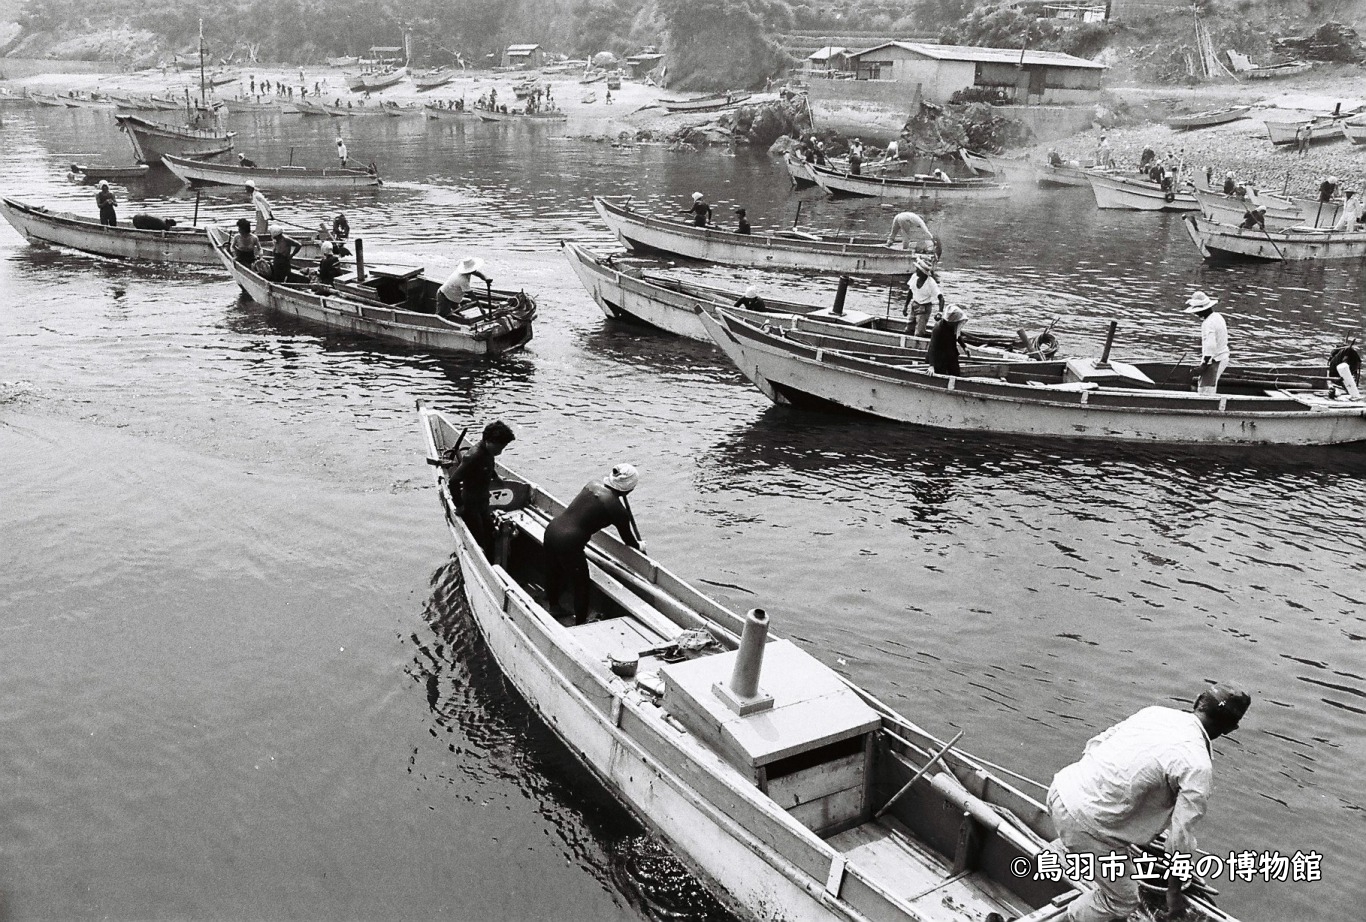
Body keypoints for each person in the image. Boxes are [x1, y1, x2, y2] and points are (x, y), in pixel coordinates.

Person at [1048, 684, 1251, 922]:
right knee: (1123, 901)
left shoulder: (1154, 713)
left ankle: (1064, 847)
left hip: (1061, 789)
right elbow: (1179, 840)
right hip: (1084, 826)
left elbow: (1096, 744)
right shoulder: (1198, 766)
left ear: (1197, 701)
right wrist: (1173, 894)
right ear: (1231, 729)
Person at [543, 464, 643, 624]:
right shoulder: (618, 510)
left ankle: (554, 606)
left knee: (553, 571)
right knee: (581, 584)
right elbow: (629, 541)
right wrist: (640, 546)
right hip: (569, 542)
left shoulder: (592, 484)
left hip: (552, 530)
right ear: (629, 489)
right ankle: (581, 623)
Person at [444, 420, 515, 553]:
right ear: (488, 441)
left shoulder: (489, 452)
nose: (500, 452)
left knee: (491, 533)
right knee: (479, 539)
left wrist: (495, 476)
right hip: (471, 505)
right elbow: (453, 481)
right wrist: (459, 506)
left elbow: (489, 465)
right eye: (499, 448)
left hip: (483, 501)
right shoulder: (474, 456)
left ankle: (492, 555)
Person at [1184, 291, 1228, 394]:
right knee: (1205, 386)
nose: (1196, 313)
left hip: (1215, 359)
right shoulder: (1218, 316)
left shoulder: (1208, 323)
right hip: (1221, 356)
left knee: (1205, 390)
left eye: (1197, 311)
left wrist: (1204, 365)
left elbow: (1210, 345)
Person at [903, 255, 945, 337]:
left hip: (924, 308)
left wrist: (940, 312)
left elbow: (941, 298)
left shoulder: (931, 283)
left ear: (923, 272)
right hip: (914, 305)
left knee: (919, 333)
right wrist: (905, 306)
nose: (916, 270)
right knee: (908, 330)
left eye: (918, 269)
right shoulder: (914, 277)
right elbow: (910, 292)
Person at [927, 305, 970, 376]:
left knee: (956, 373)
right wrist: (931, 365)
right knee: (941, 373)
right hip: (939, 356)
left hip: (951, 353)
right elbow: (932, 346)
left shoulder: (954, 326)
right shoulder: (938, 328)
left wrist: (964, 347)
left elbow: (957, 335)